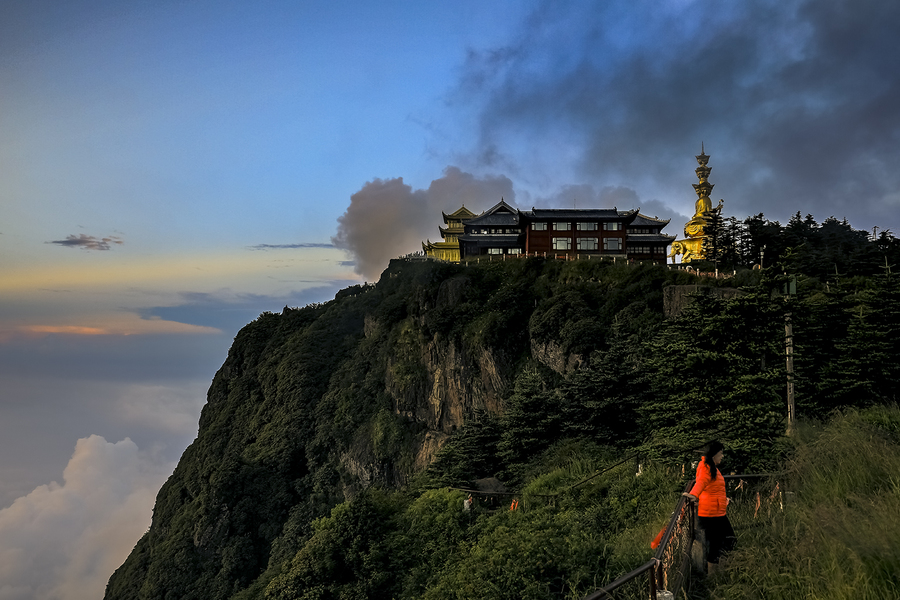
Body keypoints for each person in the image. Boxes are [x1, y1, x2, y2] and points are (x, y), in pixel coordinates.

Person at [682, 440, 736, 574]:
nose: (722, 456)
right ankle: (713, 578)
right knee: (717, 545)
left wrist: (724, 499)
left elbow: (714, 488)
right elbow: (701, 482)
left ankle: (721, 571)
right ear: (714, 455)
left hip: (717, 512)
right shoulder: (706, 468)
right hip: (710, 514)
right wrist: (693, 494)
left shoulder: (712, 467)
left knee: (728, 541)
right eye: (721, 453)